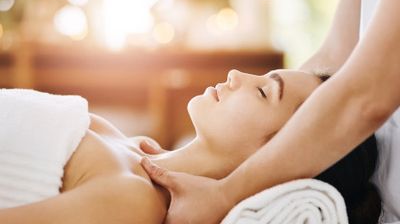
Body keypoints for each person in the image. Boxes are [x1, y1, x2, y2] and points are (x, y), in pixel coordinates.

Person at [141, 0, 400, 223]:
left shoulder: (137, 196)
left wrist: (225, 194)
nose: (234, 74)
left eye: (262, 92)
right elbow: (333, 58)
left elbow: (367, 97)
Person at [0, 69, 380, 223]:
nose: (236, 74)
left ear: (277, 155)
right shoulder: (130, 146)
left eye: (264, 91)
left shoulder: (132, 201)